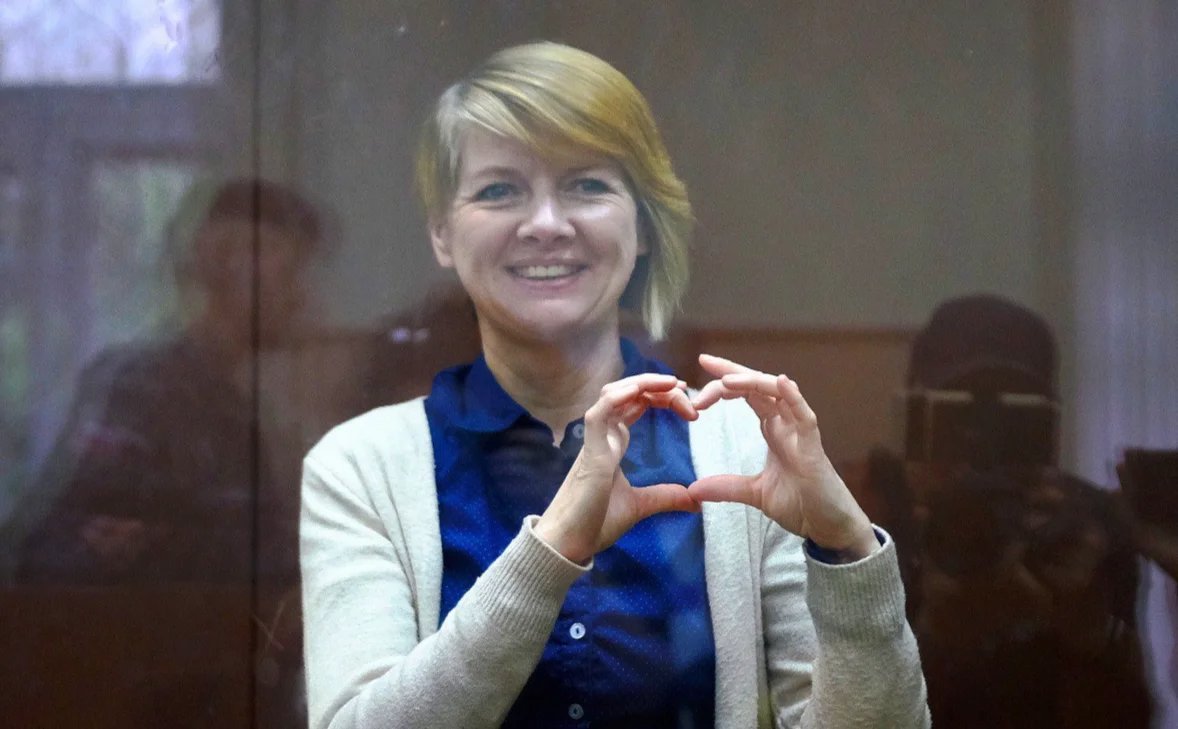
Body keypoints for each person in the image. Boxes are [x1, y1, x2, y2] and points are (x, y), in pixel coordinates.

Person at [300, 42, 928, 729]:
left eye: (587, 185)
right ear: (443, 233)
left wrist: (848, 551)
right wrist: (551, 554)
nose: (545, 224)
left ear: (644, 226)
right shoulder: (359, 467)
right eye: (500, 190)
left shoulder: (741, 448)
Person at [13, 178, 320, 728]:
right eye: (289, 271)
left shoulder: (241, 401)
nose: (301, 295)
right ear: (224, 265)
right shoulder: (142, 386)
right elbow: (58, 556)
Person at [848, 294, 1152, 728]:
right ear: (915, 418)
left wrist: (1088, 633)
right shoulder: (863, 529)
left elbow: (1128, 717)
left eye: (1016, 425)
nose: (982, 453)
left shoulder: (1083, 532)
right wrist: (935, 643)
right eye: (960, 420)